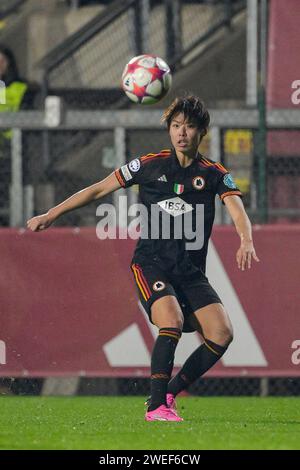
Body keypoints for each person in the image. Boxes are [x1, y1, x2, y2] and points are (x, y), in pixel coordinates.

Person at [27, 95, 260, 422]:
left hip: (190, 271)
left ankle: (169, 391)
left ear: (202, 132)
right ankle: (156, 407)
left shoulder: (214, 174)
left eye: (190, 127)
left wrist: (245, 238)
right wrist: (52, 214)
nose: (182, 133)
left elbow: (237, 209)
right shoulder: (148, 165)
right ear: (169, 129)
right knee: (172, 321)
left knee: (221, 334)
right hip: (151, 263)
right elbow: (98, 189)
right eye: (176, 126)